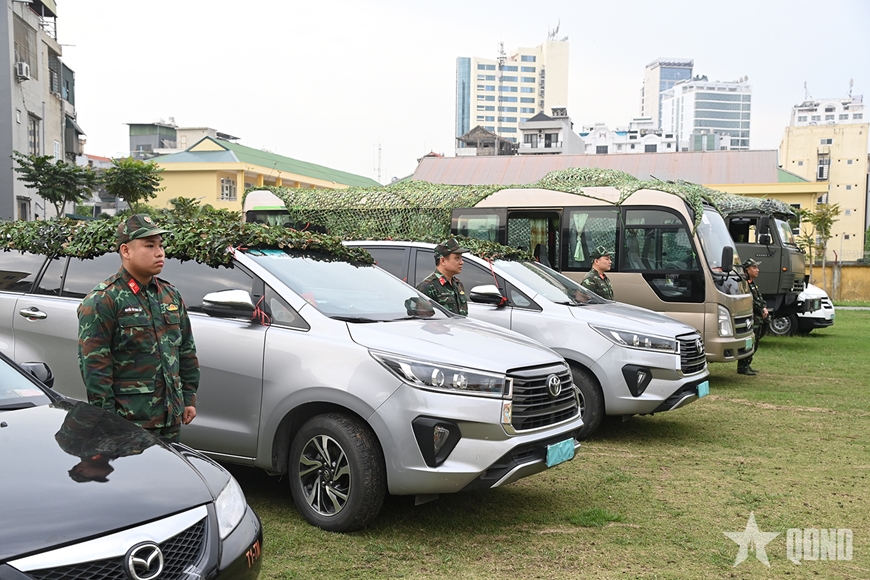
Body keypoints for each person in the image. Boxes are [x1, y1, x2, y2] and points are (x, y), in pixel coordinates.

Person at [78, 214, 200, 441]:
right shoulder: (103, 300)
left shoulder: (170, 295)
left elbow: (185, 349)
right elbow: (95, 368)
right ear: (126, 251)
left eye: (161, 245)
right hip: (129, 422)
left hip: (170, 417)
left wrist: (188, 397)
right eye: (149, 245)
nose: (159, 252)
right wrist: (107, 420)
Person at [417, 237, 470, 315]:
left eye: (461, 258)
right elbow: (421, 319)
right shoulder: (427, 287)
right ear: (443, 261)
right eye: (457, 258)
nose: (462, 262)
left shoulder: (458, 284)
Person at [737, 258, 768, 376]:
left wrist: (764, 307)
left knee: (755, 343)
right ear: (747, 270)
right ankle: (743, 366)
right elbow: (750, 300)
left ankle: (747, 364)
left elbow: (759, 298)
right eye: (754, 268)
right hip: (751, 318)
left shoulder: (752, 283)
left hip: (757, 318)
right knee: (749, 343)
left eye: (757, 267)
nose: (757, 270)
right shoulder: (744, 283)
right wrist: (761, 309)